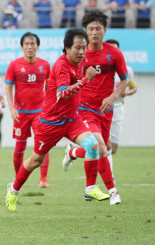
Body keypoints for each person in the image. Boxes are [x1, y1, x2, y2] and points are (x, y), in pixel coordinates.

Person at [6, 28, 102, 212]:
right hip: (50, 123)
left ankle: (89, 188)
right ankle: (14, 189)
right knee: (35, 161)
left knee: (93, 144)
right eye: (77, 48)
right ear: (67, 48)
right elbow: (63, 93)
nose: (82, 52)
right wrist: (85, 81)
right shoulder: (61, 65)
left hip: (71, 119)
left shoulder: (80, 62)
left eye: (84, 48)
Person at [62, 10, 129, 205]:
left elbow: (125, 80)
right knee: (99, 147)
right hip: (83, 109)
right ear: (85, 31)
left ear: (105, 31)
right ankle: (112, 191)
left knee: (104, 148)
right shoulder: (79, 54)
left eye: (98, 28)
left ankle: (73, 152)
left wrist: (113, 96)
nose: (94, 32)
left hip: (106, 111)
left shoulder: (114, 53)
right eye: (90, 29)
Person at [5, 32, 51, 188]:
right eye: (27, 44)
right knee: (20, 147)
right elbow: (8, 87)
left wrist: (50, 108)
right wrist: (12, 108)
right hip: (21, 113)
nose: (30, 47)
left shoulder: (45, 65)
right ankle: (19, 179)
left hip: (40, 113)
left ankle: (43, 179)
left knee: (43, 145)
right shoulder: (14, 65)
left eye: (33, 44)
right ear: (22, 46)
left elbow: (49, 87)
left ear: (37, 46)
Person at [105, 39, 137, 182]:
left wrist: (126, 93)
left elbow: (133, 87)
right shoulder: (101, 68)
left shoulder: (126, 70)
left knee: (114, 148)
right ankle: (109, 177)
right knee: (107, 145)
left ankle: (74, 152)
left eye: (116, 50)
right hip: (102, 109)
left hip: (118, 109)